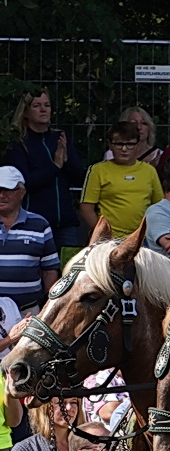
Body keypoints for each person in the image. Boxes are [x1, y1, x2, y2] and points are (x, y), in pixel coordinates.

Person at [5, 88, 85, 247]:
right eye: (36, 106)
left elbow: (80, 178)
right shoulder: (19, 143)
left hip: (65, 222)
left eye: (47, 105)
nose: (43, 109)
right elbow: (23, 182)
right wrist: (54, 166)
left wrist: (67, 161)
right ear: (25, 112)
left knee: (68, 269)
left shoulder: (60, 138)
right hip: (34, 221)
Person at [78, 119, 161, 238]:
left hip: (142, 239)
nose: (124, 149)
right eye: (119, 144)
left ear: (138, 145)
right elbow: (86, 208)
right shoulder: (98, 170)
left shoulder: (149, 171)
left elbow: (158, 207)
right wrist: (103, 234)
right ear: (110, 145)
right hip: (107, 240)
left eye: (130, 144)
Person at [0, 166, 60, 311]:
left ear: (22, 192)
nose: (1, 195)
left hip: (27, 311)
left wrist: (49, 307)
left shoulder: (40, 225)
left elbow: (50, 270)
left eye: (7, 190)